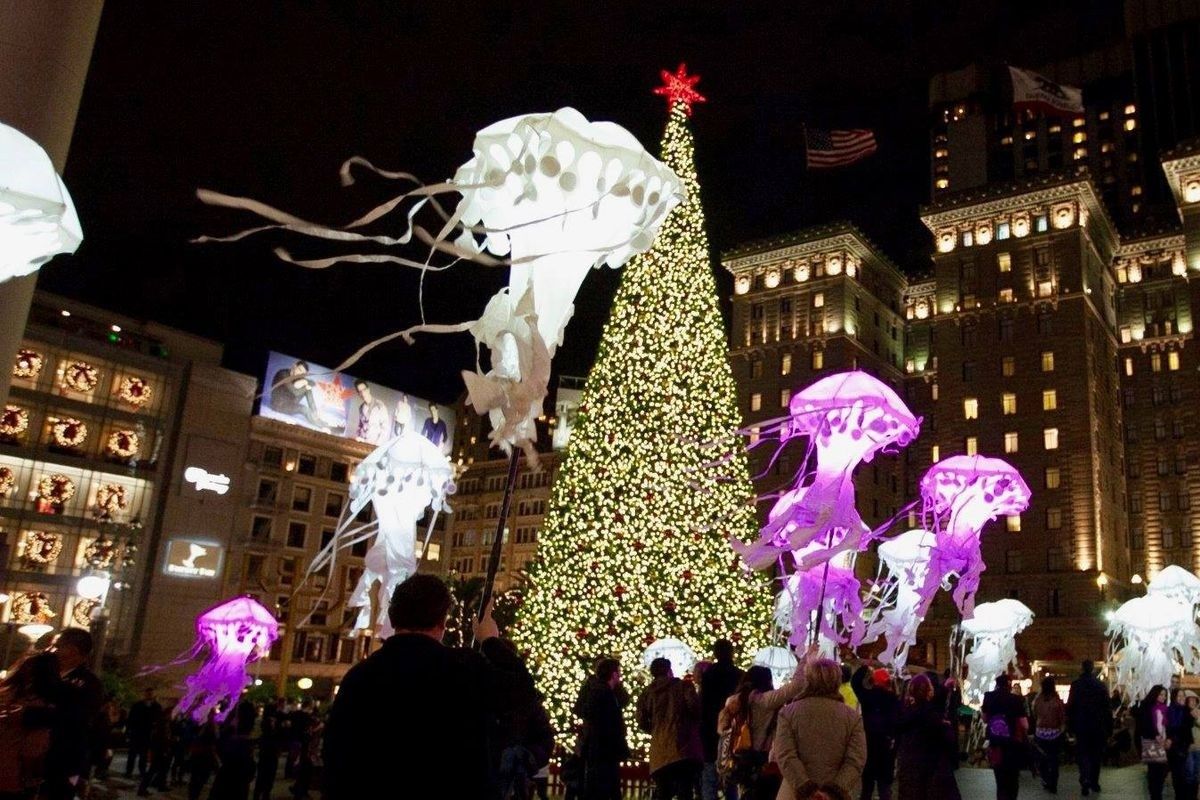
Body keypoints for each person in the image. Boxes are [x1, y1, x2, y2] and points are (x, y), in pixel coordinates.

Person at [321, 574, 528, 799]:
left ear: (393, 617)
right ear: (442, 621)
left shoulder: (361, 677)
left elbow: (335, 753)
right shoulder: (463, 668)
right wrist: (490, 641)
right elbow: (522, 690)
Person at [718, 647, 813, 800]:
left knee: (745, 792)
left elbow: (722, 728)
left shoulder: (733, 700)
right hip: (761, 757)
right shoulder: (765, 701)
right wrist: (806, 659)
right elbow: (796, 685)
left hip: (737, 755)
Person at [772, 657, 867, 800]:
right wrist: (835, 789)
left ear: (808, 680)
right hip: (834, 793)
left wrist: (806, 787)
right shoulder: (852, 717)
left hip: (794, 791)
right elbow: (856, 759)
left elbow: (785, 755)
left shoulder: (788, 713)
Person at [44, 628, 102, 800]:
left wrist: (32, 714)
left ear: (73, 650)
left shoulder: (89, 684)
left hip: (62, 759)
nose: (53, 650)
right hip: (29, 755)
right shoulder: (45, 674)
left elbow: (77, 720)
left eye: (58, 646)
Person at [637, 657, 703, 800]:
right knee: (685, 790)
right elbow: (695, 709)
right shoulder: (684, 686)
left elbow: (641, 721)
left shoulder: (647, 693)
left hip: (660, 751)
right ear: (669, 671)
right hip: (684, 747)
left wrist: (656, 730)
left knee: (663, 791)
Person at [0, 651, 61, 797]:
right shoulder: (39, 709)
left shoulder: (5, 695)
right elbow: (32, 749)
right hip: (11, 774)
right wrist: (31, 777)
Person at [896, 674, 960, 800]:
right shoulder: (935, 718)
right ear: (929, 691)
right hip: (932, 772)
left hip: (910, 770)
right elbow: (949, 743)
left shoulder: (906, 714)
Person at [575, 657, 630, 800]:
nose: (620, 675)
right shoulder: (601, 692)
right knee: (604, 784)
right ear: (613, 674)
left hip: (600, 746)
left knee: (603, 783)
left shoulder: (602, 690)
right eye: (618, 672)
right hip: (604, 746)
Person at [700, 639, 743, 800]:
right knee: (732, 775)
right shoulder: (739, 675)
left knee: (709, 776)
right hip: (734, 730)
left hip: (710, 731)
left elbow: (703, 705)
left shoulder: (709, 675)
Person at [851, 666, 899, 800]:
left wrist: (864, 668)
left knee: (867, 787)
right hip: (886, 747)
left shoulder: (868, 696)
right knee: (885, 789)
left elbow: (855, 682)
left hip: (869, 745)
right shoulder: (894, 699)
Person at [1067, 660, 1112, 796]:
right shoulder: (1100, 685)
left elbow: (1071, 707)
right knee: (1095, 755)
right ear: (1092, 669)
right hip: (1098, 726)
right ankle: (1094, 781)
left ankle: (1085, 778)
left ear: (1082, 668)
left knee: (1083, 754)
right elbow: (1107, 708)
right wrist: (1109, 728)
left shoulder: (1076, 685)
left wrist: (1070, 727)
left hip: (1081, 725)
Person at [982, 674, 1029, 800]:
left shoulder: (988, 696)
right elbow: (1024, 724)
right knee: (1012, 778)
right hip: (1013, 744)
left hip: (995, 742)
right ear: (1009, 684)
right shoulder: (1016, 699)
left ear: (996, 684)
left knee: (999, 777)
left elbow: (985, 718)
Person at [210, 701, 257, 800]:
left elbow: (220, 748)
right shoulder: (245, 742)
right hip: (237, 787)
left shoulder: (235, 742)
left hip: (227, 785)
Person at [268, 360, 329, 430]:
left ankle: (316, 415)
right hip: (278, 405)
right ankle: (324, 426)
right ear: (294, 366)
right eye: (299, 370)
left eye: (302, 373)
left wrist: (305, 382)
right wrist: (306, 386)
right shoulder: (283, 374)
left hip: (290, 402)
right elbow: (295, 392)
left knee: (308, 389)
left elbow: (312, 382)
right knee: (304, 408)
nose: (300, 374)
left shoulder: (298, 377)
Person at [1032, 676, 1065, 794]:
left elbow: (1034, 714)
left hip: (1040, 732)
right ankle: (1053, 783)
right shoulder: (1057, 701)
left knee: (1042, 759)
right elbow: (1062, 718)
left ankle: (1045, 779)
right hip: (1055, 733)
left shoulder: (1038, 700)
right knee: (1054, 759)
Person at [1140, 686, 1170, 800]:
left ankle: (1156, 794)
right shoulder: (1147, 706)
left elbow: (1165, 725)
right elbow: (1144, 725)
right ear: (1155, 694)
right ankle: (1155, 795)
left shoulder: (1164, 708)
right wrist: (1155, 735)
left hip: (1162, 741)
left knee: (1161, 771)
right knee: (1154, 771)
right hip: (1151, 742)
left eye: (1165, 695)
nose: (1163, 697)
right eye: (1161, 694)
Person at [125, 688, 162, 779]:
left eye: (150, 694)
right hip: (137, 732)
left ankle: (142, 772)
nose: (149, 695)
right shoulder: (137, 705)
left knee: (143, 755)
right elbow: (131, 719)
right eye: (148, 693)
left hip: (147, 734)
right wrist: (129, 731)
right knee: (132, 754)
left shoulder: (156, 706)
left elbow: (159, 719)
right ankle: (129, 771)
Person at [1166, 689, 1194, 800]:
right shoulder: (1170, 710)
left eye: (1183, 696)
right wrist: (1170, 738)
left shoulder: (1187, 711)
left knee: (1184, 775)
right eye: (1179, 696)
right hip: (1173, 748)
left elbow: (1187, 729)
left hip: (1184, 747)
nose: (1182, 698)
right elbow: (1168, 728)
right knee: (1177, 775)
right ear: (1174, 697)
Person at [136, 714, 173, 796]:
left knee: (161, 771)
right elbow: (159, 743)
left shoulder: (159, 731)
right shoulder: (159, 732)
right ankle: (142, 789)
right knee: (152, 771)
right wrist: (164, 751)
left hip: (160, 753)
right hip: (159, 754)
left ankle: (161, 786)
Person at [253, 701, 283, 800]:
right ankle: (265, 793)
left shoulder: (262, 721)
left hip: (265, 750)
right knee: (268, 774)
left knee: (262, 775)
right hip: (270, 750)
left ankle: (259, 794)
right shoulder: (270, 722)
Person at [188, 711, 220, 800]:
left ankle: (193, 796)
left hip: (200, 755)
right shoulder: (209, 728)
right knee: (199, 779)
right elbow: (212, 744)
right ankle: (193, 796)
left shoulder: (204, 726)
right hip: (204, 756)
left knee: (196, 779)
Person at [353, 380, 389, 445]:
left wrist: (376, 445)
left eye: (364, 390)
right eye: (360, 391)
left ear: (368, 390)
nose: (362, 393)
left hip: (374, 445)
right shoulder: (361, 407)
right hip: (361, 443)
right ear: (358, 394)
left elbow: (385, 428)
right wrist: (357, 437)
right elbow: (360, 425)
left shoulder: (380, 405)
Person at [1186, 695, 1200, 799]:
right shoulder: (1184, 713)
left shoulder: (1199, 713)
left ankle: (1194, 796)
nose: (1193, 702)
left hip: (1199, 748)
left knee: (1197, 773)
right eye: (1190, 700)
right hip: (1188, 749)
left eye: (1194, 700)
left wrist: (1197, 718)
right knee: (1189, 773)